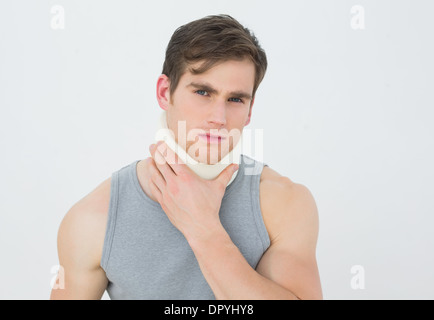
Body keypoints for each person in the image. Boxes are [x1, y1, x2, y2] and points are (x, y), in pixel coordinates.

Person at [50, 14, 322, 300]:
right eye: (203, 92)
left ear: (250, 111)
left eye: (235, 99)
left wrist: (204, 230)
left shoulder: (285, 203)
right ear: (165, 92)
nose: (219, 118)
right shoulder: (94, 219)